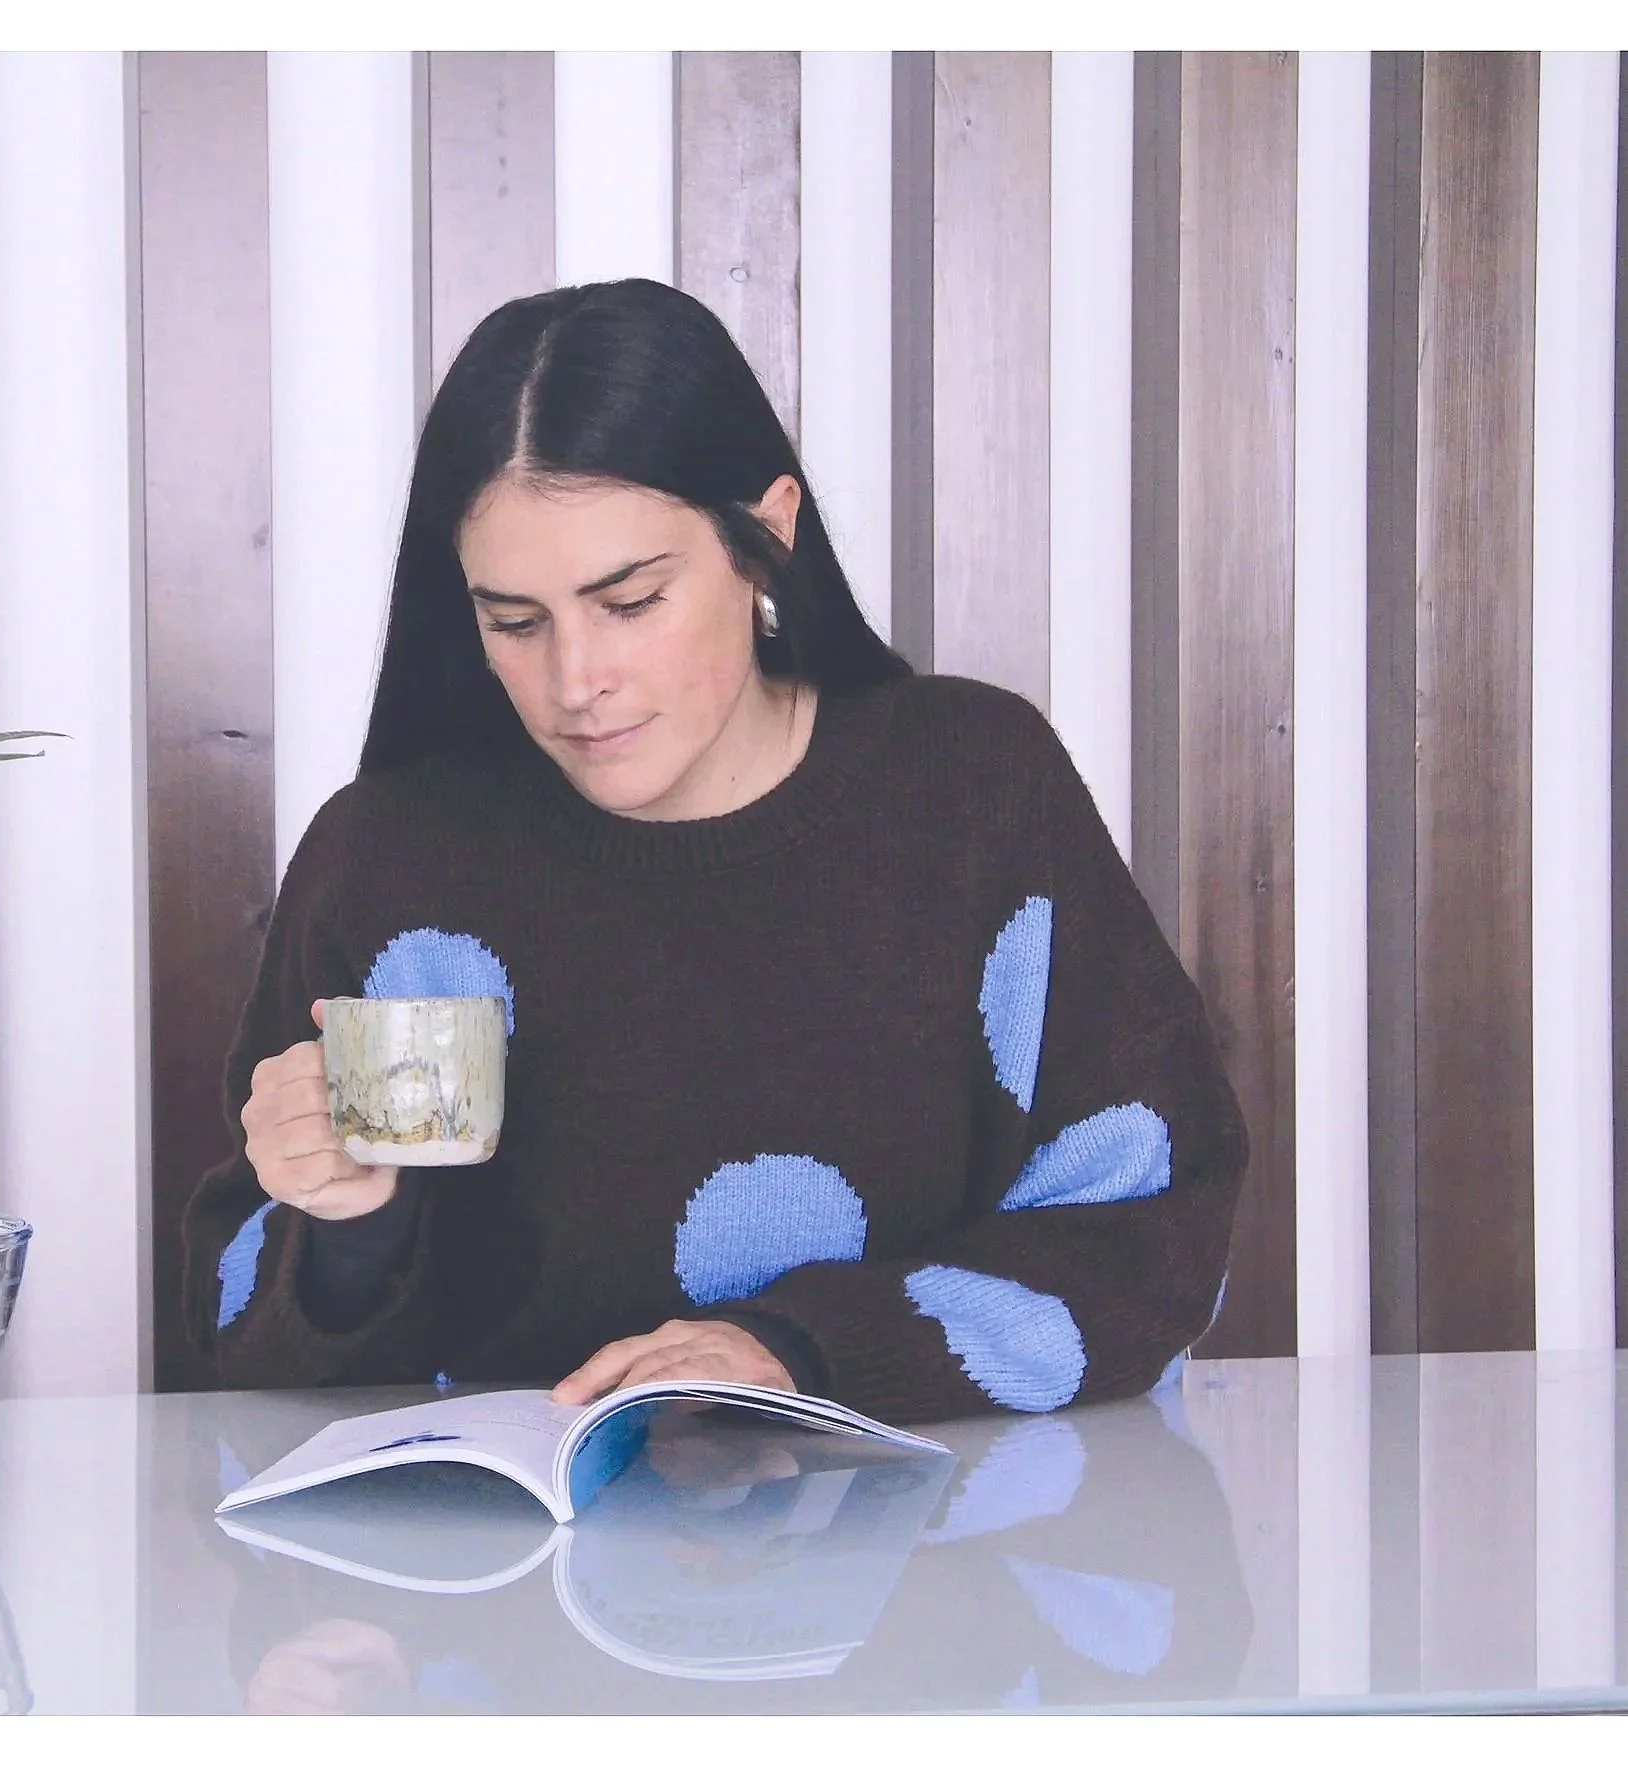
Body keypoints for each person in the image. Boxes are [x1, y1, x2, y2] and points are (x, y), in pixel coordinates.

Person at [183, 278, 1247, 1423]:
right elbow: (241, 1357)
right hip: (495, 1576)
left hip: (934, 1559)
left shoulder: (970, 790)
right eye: (514, 622)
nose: (574, 682)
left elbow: (1151, 1235)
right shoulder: (393, 861)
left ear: (767, 532)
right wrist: (346, 1226)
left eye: (629, 601)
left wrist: (797, 1354)